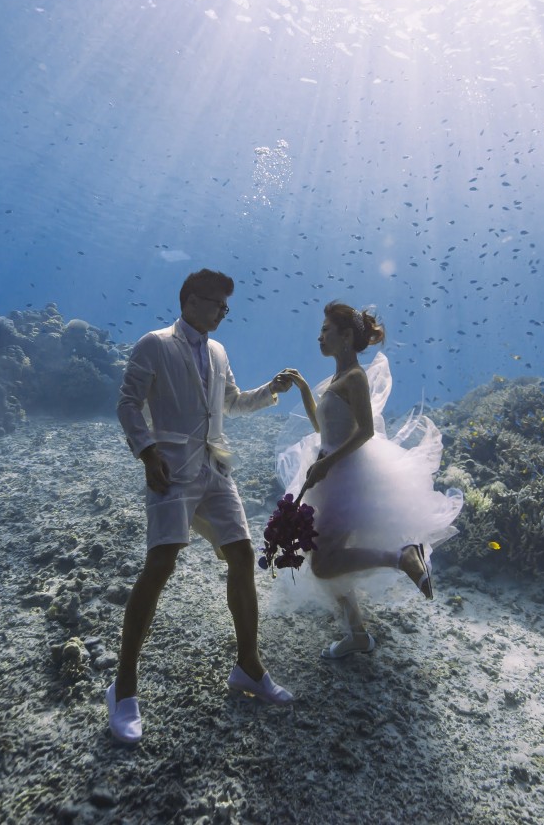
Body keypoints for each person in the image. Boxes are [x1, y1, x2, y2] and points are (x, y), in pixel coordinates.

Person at [107, 268, 302, 745]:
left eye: (226, 306)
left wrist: (271, 388)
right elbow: (128, 404)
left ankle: (248, 667)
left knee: (241, 555)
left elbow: (232, 402)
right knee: (161, 563)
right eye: (217, 303)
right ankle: (123, 686)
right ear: (190, 301)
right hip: (169, 469)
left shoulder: (217, 351)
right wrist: (147, 452)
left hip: (214, 469)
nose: (223, 312)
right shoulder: (153, 343)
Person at [275, 302, 463, 659]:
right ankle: (356, 633)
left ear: (346, 337)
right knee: (323, 556)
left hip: (347, 478)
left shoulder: (356, 377)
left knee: (323, 563)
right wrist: (302, 389)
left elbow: (364, 432)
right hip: (329, 475)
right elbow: (324, 429)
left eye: (327, 329)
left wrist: (327, 464)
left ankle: (401, 556)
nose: (320, 336)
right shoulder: (337, 379)